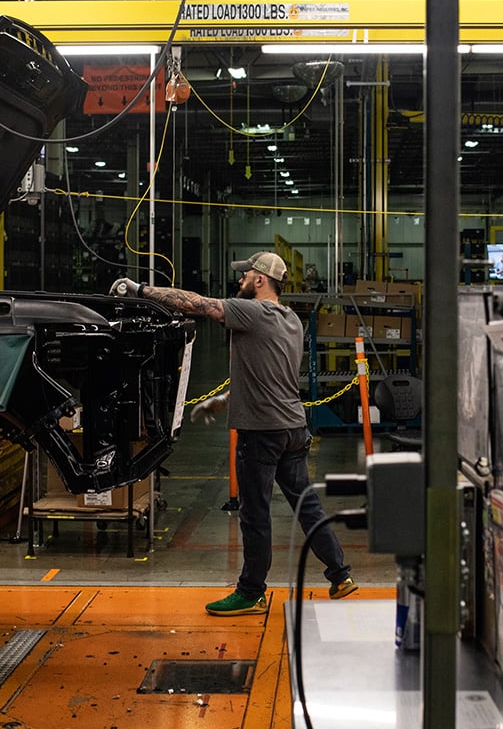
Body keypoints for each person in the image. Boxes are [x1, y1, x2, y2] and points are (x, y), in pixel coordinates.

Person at [110, 251, 357, 616]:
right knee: (307, 505)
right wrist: (225, 400)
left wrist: (140, 289)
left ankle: (251, 591)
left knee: (254, 513)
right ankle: (339, 574)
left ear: (260, 280)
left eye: (246, 275)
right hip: (292, 427)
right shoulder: (291, 320)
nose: (240, 280)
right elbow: (269, 375)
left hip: (262, 433)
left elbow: (195, 304)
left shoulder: (253, 312)